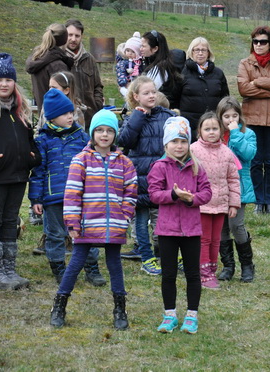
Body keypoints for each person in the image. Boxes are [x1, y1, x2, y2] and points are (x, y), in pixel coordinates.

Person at [49, 109, 137, 329]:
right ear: (92, 133)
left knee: (114, 265)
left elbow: (131, 192)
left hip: (114, 225)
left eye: (109, 130)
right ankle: (59, 304)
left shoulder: (125, 163)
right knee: (76, 263)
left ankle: (120, 308)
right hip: (87, 225)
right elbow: (72, 194)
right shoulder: (81, 160)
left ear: (115, 134)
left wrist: (124, 216)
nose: (104, 135)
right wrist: (72, 222)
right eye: (99, 130)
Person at [29, 88, 105, 286]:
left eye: (71, 112)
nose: (70, 116)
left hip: (81, 197)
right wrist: (36, 199)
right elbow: (38, 171)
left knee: (86, 231)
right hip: (53, 197)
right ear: (52, 117)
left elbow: (93, 164)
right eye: (65, 113)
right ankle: (59, 267)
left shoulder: (81, 137)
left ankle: (91, 267)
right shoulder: (43, 139)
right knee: (55, 234)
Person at [148, 117, 212, 334]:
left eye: (183, 141)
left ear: (189, 143)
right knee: (169, 274)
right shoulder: (159, 166)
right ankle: (170, 315)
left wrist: (191, 199)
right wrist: (173, 195)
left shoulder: (197, 167)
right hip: (167, 230)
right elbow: (154, 194)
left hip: (192, 229)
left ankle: (192, 315)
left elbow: (206, 192)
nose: (179, 146)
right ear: (166, 145)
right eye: (174, 141)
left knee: (193, 274)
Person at [0, 53, 41, 290]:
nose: (4, 84)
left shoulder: (21, 111)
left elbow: (30, 141)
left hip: (18, 176)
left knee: (10, 221)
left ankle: (9, 268)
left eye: (8, 79)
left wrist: (32, 157)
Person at [118, 76, 176, 274]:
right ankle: (146, 256)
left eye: (153, 92)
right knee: (141, 221)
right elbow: (125, 140)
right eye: (146, 93)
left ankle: (168, 254)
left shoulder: (166, 116)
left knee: (165, 219)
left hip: (163, 179)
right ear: (136, 96)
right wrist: (137, 117)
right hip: (140, 178)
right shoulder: (131, 118)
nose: (151, 96)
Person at [238, 26, 270, 214]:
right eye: (255, 41)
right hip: (252, 119)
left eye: (263, 41)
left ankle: (269, 202)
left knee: (269, 162)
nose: (259, 45)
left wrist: (258, 82)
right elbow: (243, 89)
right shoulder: (245, 63)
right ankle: (258, 201)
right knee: (255, 161)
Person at [191, 112, 241, 289]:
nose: (211, 132)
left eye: (215, 128)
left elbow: (233, 179)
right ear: (199, 131)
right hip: (201, 205)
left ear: (221, 130)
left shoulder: (227, 152)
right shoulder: (193, 150)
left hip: (220, 204)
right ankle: (204, 273)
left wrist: (234, 203)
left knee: (216, 239)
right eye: (207, 129)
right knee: (204, 239)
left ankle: (212, 268)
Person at [216, 96, 257, 282]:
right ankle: (228, 266)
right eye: (226, 116)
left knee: (236, 224)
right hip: (218, 187)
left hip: (239, 187)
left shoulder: (247, 134)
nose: (231, 120)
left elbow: (248, 154)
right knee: (222, 227)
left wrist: (235, 134)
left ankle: (247, 265)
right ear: (220, 118)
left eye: (234, 116)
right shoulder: (215, 134)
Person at [176, 37, 229, 141]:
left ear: (208, 53)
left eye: (203, 50)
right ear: (191, 52)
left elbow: (225, 99)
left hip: (213, 126)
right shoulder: (182, 73)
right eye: (197, 50)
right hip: (189, 126)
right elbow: (174, 98)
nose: (200, 53)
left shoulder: (218, 73)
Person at [25, 23, 73, 113]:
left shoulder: (37, 58)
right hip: (58, 115)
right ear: (64, 40)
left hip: (44, 113)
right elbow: (64, 95)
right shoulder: (57, 65)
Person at [64, 19, 104, 128]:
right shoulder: (59, 59)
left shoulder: (89, 58)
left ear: (81, 37)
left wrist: (97, 105)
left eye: (77, 36)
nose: (73, 39)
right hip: (67, 119)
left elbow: (98, 86)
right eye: (70, 35)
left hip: (90, 118)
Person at [140, 30, 181, 109]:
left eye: (143, 46)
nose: (140, 49)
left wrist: (123, 89)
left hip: (160, 112)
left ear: (155, 48)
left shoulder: (160, 68)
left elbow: (144, 93)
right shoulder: (156, 64)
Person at [116, 32, 142, 97]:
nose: (130, 53)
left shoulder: (139, 62)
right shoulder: (123, 62)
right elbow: (120, 71)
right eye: (128, 51)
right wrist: (123, 82)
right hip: (127, 84)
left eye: (133, 52)